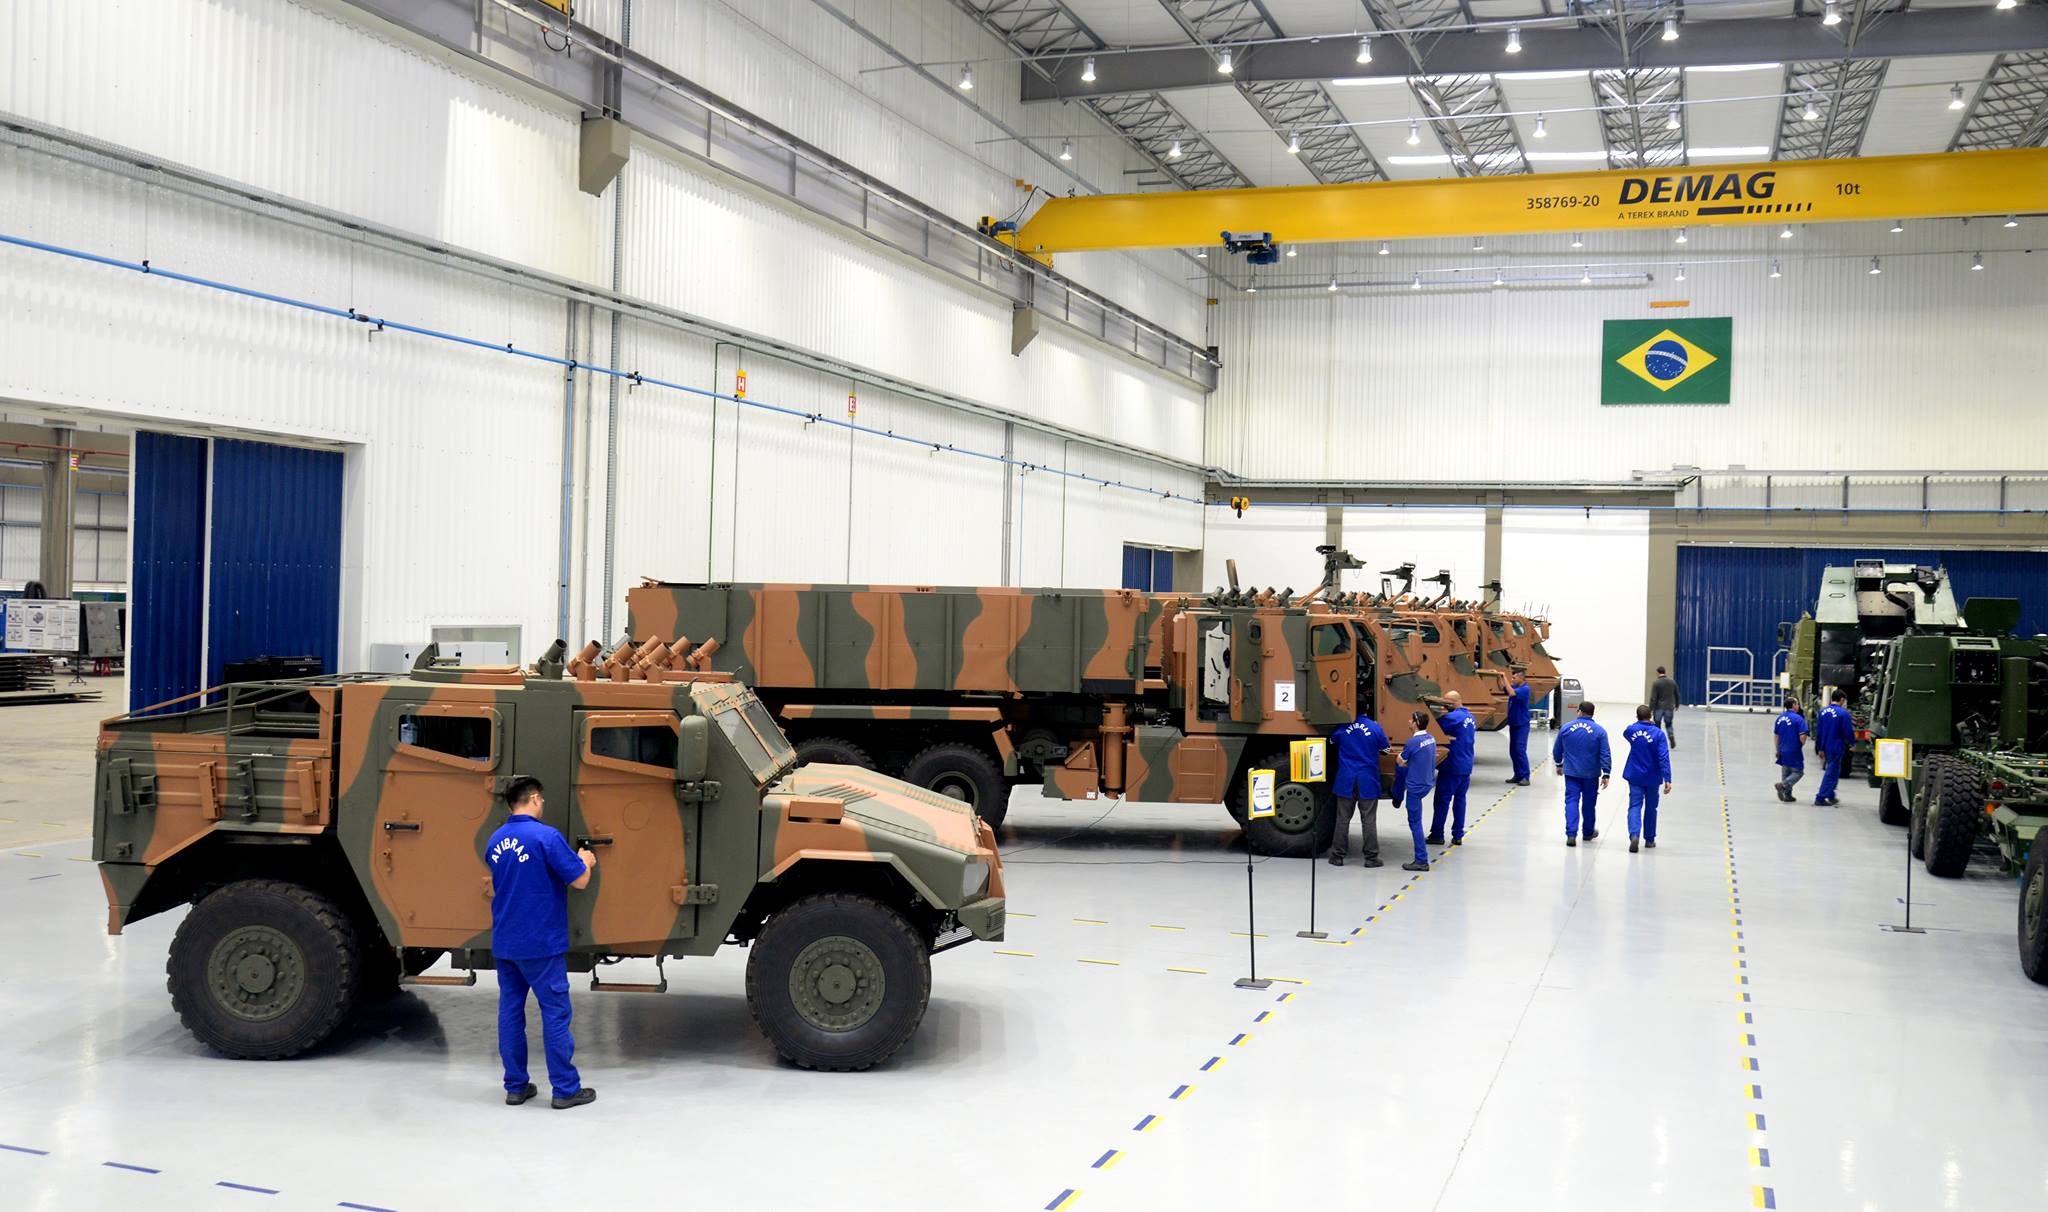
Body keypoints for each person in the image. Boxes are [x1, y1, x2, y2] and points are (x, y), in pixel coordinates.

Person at [487, 776, 599, 1110]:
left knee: (510, 1013)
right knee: (554, 1013)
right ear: (534, 798)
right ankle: (565, 1089)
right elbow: (579, 881)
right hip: (540, 942)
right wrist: (586, 861)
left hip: (506, 940)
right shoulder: (545, 836)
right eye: (542, 800)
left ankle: (515, 1087)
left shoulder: (495, 839)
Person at [1328, 709, 1390, 868]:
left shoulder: (1343, 727)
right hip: (1367, 780)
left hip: (1346, 779)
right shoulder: (1375, 727)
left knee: (1343, 819)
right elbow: (1386, 749)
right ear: (1367, 709)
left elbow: (1332, 742)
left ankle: (1337, 856)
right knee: (1368, 820)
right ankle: (1371, 858)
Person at [1552, 701, 1610, 847]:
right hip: (1591, 774)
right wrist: (1606, 773)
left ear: (1579, 712)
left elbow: (1557, 749)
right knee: (1589, 803)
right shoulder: (1600, 731)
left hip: (1571, 773)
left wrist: (1559, 764)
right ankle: (1588, 832)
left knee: (1571, 801)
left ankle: (1571, 834)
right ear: (1592, 713)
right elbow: (1605, 754)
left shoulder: (1566, 728)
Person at [1620, 705, 1673, 853]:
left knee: (1634, 806)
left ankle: (1634, 835)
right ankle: (1649, 839)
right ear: (1651, 715)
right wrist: (1667, 778)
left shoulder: (1632, 730)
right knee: (1651, 807)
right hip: (1652, 776)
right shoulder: (1658, 734)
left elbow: (1626, 732)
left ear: (1637, 716)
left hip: (1635, 775)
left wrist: (1639, 724)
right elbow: (1663, 757)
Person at [1427, 691, 1476, 847]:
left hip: (1452, 765)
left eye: (1446, 703)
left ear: (1453, 702)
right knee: (1460, 800)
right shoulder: (1470, 717)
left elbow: (1433, 725)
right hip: (1466, 765)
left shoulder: (1453, 717)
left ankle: (1437, 834)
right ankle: (1458, 835)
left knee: (1442, 800)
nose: (1444, 707)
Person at [1393, 710, 1436, 872]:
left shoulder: (1412, 742)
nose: (1408, 722)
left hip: (1415, 788)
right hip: (1427, 783)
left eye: (1411, 720)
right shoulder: (1431, 739)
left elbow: (1400, 760)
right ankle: (1397, 796)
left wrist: (1400, 758)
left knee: (1415, 823)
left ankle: (1421, 860)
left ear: (1416, 723)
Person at [1813, 689, 1853, 806]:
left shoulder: (1823, 712)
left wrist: (1820, 748)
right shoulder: (1843, 714)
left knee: (1835, 770)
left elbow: (1819, 731)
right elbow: (1848, 731)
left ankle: (1830, 795)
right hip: (1836, 746)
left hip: (1826, 745)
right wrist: (1853, 743)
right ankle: (1820, 797)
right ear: (1842, 699)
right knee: (1831, 772)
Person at [1773, 697, 1809, 803]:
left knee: (1786, 772)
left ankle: (1787, 795)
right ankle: (1783, 785)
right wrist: (1801, 744)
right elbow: (1803, 736)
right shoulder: (1798, 719)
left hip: (1782, 749)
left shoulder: (1780, 718)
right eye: (1797, 704)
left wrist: (1777, 749)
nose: (1798, 706)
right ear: (1793, 705)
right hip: (1793, 749)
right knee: (1798, 772)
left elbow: (1776, 736)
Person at [1503, 671, 1532, 786]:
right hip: (1514, 724)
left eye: (1514, 678)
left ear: (1521, 678)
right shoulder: (1515, 687)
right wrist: (1499, 677)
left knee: (1520, 750)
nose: (1512, 679)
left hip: (1522, 725)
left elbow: (1511, 693)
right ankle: (1518, 775)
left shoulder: (1525, 689)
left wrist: (1504, 676)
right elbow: (1503, 688)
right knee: (1513, 751)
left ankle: (1525, 776)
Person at [1649, 666, 1681, 749]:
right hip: (1669, 708)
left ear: (1657, 672)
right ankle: (1671, 735)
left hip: (1658, 708)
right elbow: (1677, 694)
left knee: (1657, 725)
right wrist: (1677, 705)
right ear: (1664, 672)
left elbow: (1653, 698)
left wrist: (1650, 709)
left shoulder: (1656, 683)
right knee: (1669, 724)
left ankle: (1658, 741)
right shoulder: (1672, 682)